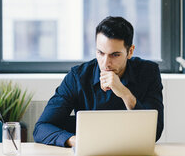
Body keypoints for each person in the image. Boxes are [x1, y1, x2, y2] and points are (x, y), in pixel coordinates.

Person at [33, 16, 163, 147]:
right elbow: (41, 128)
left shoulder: (148, 72)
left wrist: (125, 94)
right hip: (91, 155)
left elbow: (155, 132)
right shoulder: (78, 77)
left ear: (130, 52)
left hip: (133, 154)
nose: (106, 63)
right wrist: (77, 141)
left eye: (115, 55)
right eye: (100, 53)